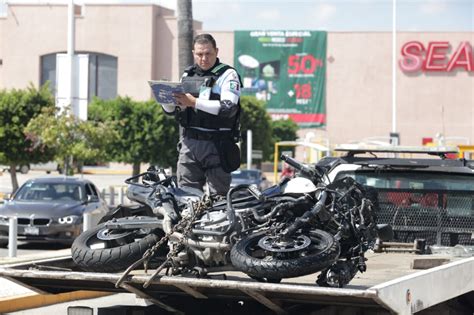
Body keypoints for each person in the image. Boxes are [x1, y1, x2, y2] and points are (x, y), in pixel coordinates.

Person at [161, 33, 242, 196]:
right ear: (193, 53)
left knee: (218, 199)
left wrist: (194, 102)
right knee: (186, 198)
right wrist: (165, 99)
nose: (204, 58)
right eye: (199, 54)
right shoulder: (187, 75)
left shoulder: (228, 75)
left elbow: (228, 107)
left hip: (218, 146)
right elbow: (172, 111)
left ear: (216, 51)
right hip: (189, 144)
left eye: (208, 53)